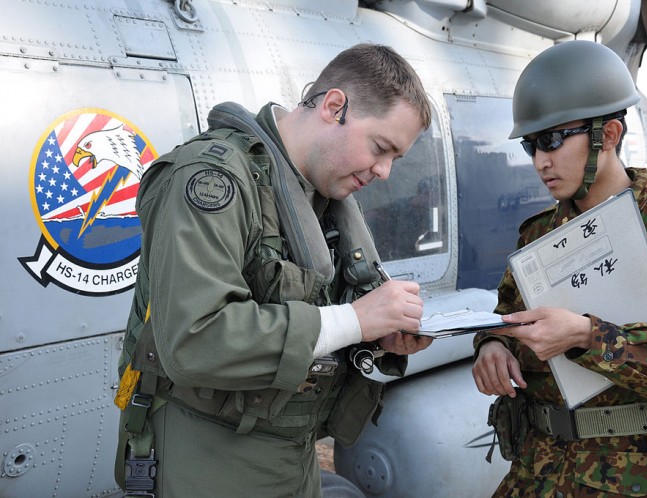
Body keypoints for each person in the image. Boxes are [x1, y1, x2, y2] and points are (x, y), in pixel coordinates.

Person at [112, 43, 433, 497]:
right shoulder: (211, 179)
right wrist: (354, 320)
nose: (383, 172)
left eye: (395, 159)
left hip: (291, 457)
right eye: (381, 148)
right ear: (334, 106)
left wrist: (375, 334)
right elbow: (195, 337)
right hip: (211, 462)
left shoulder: (317, 199)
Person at [472, 40, 647, 497]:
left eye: (553, 139)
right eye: (531, 145)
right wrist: (493, 346)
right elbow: (506, 317)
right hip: (540, 469)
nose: (541, 160)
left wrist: (588, 336)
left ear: (611, 134)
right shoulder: (539, 234)